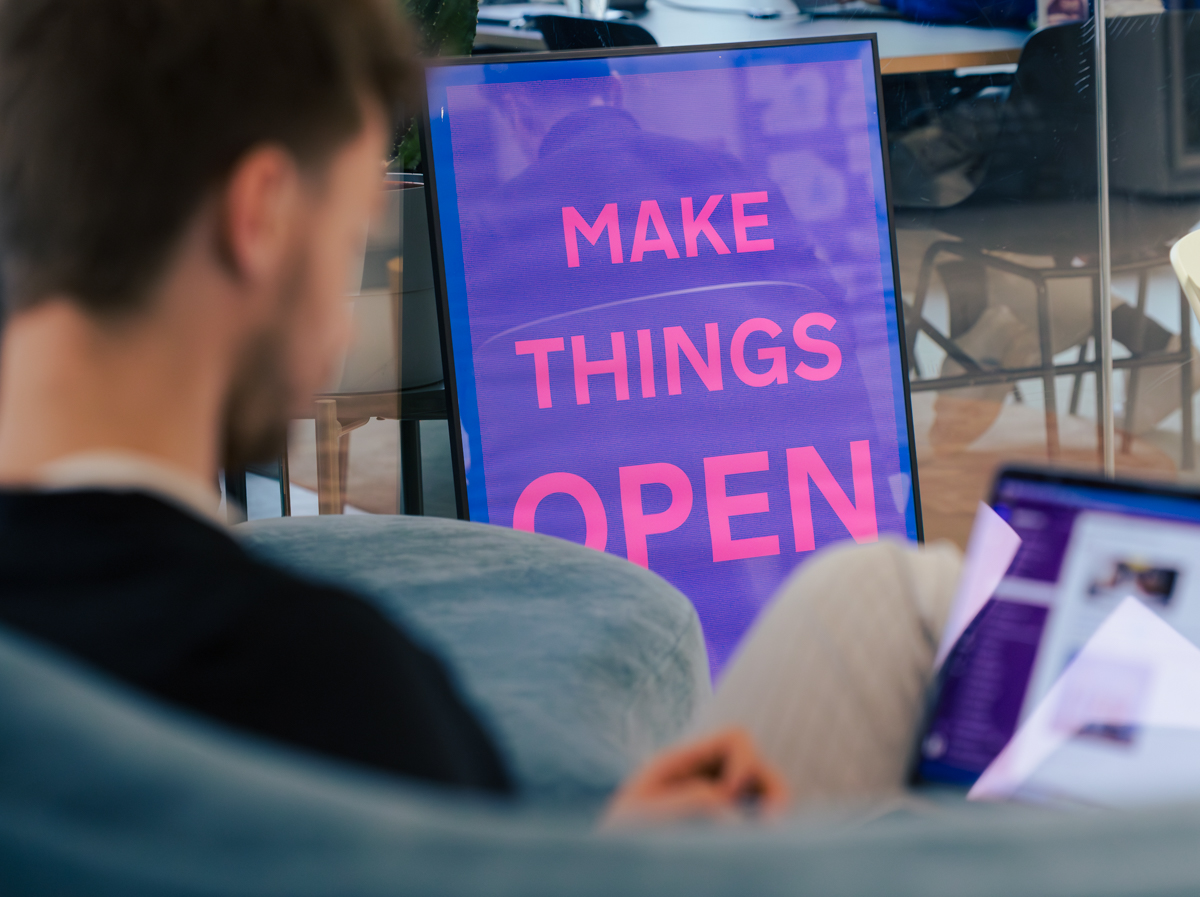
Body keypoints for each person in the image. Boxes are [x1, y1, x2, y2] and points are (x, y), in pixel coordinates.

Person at [0, 0, 963, 825]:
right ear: (261, 219)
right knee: (898, 600)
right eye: (349, 241)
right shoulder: (332, 695)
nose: (337, 328)